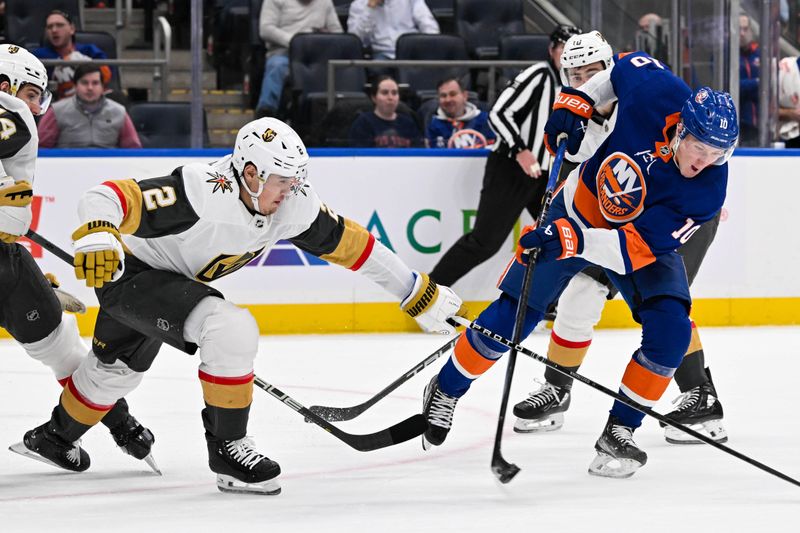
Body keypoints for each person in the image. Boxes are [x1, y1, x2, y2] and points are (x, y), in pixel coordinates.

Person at [14, 116, 467, 495]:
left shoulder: (290, 205)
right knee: (230, 329)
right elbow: (107, 196)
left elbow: (354, 246)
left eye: (295, 180)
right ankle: (228, 450)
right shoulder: (202, 191)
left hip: (166, 285)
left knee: (115, 373)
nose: (290, 190)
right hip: (131, 277)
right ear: (249, 172)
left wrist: (415, 290)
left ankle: (53, 438)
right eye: (281, 180)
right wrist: (97, 232)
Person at [420, 48, 738, 480]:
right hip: (580, 208)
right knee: (513, 316)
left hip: (635, 242)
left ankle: (619, 432)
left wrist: (569, 240)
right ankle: (446, 388)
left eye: (717, 155)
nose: (704, 162)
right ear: (682, 128)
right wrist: (579, 99)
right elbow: (619, 68)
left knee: (671, 330)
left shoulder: (706, 191)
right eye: (699, 148)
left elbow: (630, 250)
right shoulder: (659, 90)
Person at [511, 32, 728, 446]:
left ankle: (701, 395)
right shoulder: (579, 120)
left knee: (663, 308)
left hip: (671, 221)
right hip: (619, 223)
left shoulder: (639, 101)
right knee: (581, 293)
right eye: (575, 74)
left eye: (593, 72)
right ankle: (556, 388)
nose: (585, 81)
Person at [0, 44, 155, 474]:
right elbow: (10, 217)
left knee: (61, 343)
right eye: (31, 94)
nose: (35, 106)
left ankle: (116, 424)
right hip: (5, 263)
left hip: (5, 265)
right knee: (63, 348)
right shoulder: (11, 116)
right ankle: (123, 429)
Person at [428, 25, 582, 287]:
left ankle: (547, 299)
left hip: (545, 175)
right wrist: (519, 149)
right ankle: (427, 293)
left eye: (574, 51)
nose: (568, 56)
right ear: (551, 50)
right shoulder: (539, 76)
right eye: (563, 49)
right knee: (484, 242)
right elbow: (499, 113)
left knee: (560, 236)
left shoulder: (577, 84)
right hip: (511, 168)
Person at [255, 0, 342, 119]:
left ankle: (337, 115)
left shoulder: (325, 2)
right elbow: (266, 29)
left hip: (317, 57)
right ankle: (266, 112)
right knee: (276, 66)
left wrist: (323, 39)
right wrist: (296, 42)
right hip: (285, 54)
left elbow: (337, 33)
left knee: (339, 68)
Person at [37, 64, 142, 149]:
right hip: (67, 169)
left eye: (95, 83)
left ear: (103, 87)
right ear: (75, 86)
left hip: (109, 170)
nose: (90, 88)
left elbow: (133, 149)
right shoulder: (57, 111)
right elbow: (40, 148)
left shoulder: (119, 111)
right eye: (84, 83)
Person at [32, 10, 113, 101]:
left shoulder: (89, 51)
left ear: (72, 29)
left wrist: (87, 65)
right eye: (50, 27)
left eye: (59, 25)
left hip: (94, 100)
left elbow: (107, 76)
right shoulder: (38, 56)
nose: (54, 30)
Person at [347, 0, 439, 60]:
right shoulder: (358, 5)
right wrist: (370, 9)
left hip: (411, 53)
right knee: (377, 68)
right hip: (382, 54)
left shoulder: (411, 1)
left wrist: (428, 47)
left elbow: (429, 26)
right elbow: (355, 40)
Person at [349, 76, 423, 147]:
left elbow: (418, 152)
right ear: (374, 97)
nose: (390, 97)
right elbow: (360, 155)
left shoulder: (408, 124)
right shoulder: (363, 123)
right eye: (385, 93)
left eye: (394, 93)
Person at [425, 78, 495, 149]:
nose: (448, 100)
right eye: (443, 96)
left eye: (453, 94)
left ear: (464, 96)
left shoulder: (486, 121)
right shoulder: (433, 124)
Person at [739, 14, 759, 146]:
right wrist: (757, 83)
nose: (741, 33)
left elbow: (770, 86)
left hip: (761, 122)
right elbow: (733, 87)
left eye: (745, 29)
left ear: (751, 30)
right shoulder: (724, 55)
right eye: (738, 29)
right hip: (739, 123)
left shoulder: (761, 53)